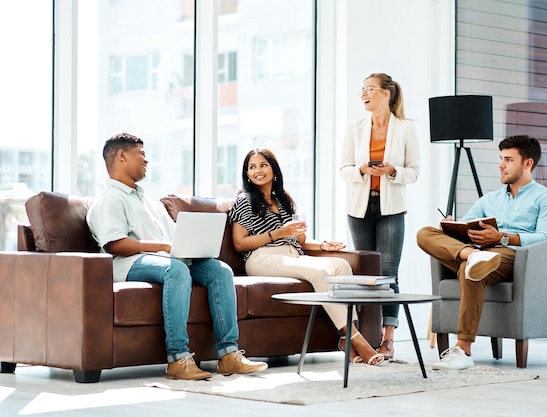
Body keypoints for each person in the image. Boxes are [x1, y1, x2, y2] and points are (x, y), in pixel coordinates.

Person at [86, 132, 268, 380]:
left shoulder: (149, 199)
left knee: (220, 270)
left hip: (168, 258)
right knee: (176, 269)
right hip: (128, 264)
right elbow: (115, 244)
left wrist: (186, 246)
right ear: (121, 155)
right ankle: (177, 358)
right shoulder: (110, 198)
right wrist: (162, 247)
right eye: (142, 154)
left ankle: (228, 356)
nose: (146, 160)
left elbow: (175, 237)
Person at [416, 135, 547, 370]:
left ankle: (463, 349)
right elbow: (466, 224)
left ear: (527, 164)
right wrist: (452, 227)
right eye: (500, 158)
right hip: (478, 252)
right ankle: (470, 255)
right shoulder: (489, 199)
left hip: (512, 257)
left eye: (508, 159)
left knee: (471, 268)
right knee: (425, 233)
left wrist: (502, 237)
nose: (501, 165)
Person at [229, 148, 384, 366]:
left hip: (292, 254)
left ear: (274, 169)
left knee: (341, 265)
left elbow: (299, 241)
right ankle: (356, 340)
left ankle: (346, 337)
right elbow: (239, 243)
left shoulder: (284, 200)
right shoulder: (244, 201)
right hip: (261, 257)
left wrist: (322, 245)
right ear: (247, 174)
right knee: (320, 273)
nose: (258, 171)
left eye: (263, 165)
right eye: (252, 167)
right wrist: (279, 233)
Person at [339, 73, 421, 360]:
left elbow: (414, 171)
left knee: (388, 273)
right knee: (365, 274)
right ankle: (366, 338)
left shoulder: (406, 129)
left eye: (370, 89)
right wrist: (362, 170)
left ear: (386, 94)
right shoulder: (354, 127)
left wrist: (393, 171)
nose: (364, 94)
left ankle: (388, 338)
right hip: (359, 208)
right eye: (362, 89)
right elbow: (344, 169)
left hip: (391, 209)